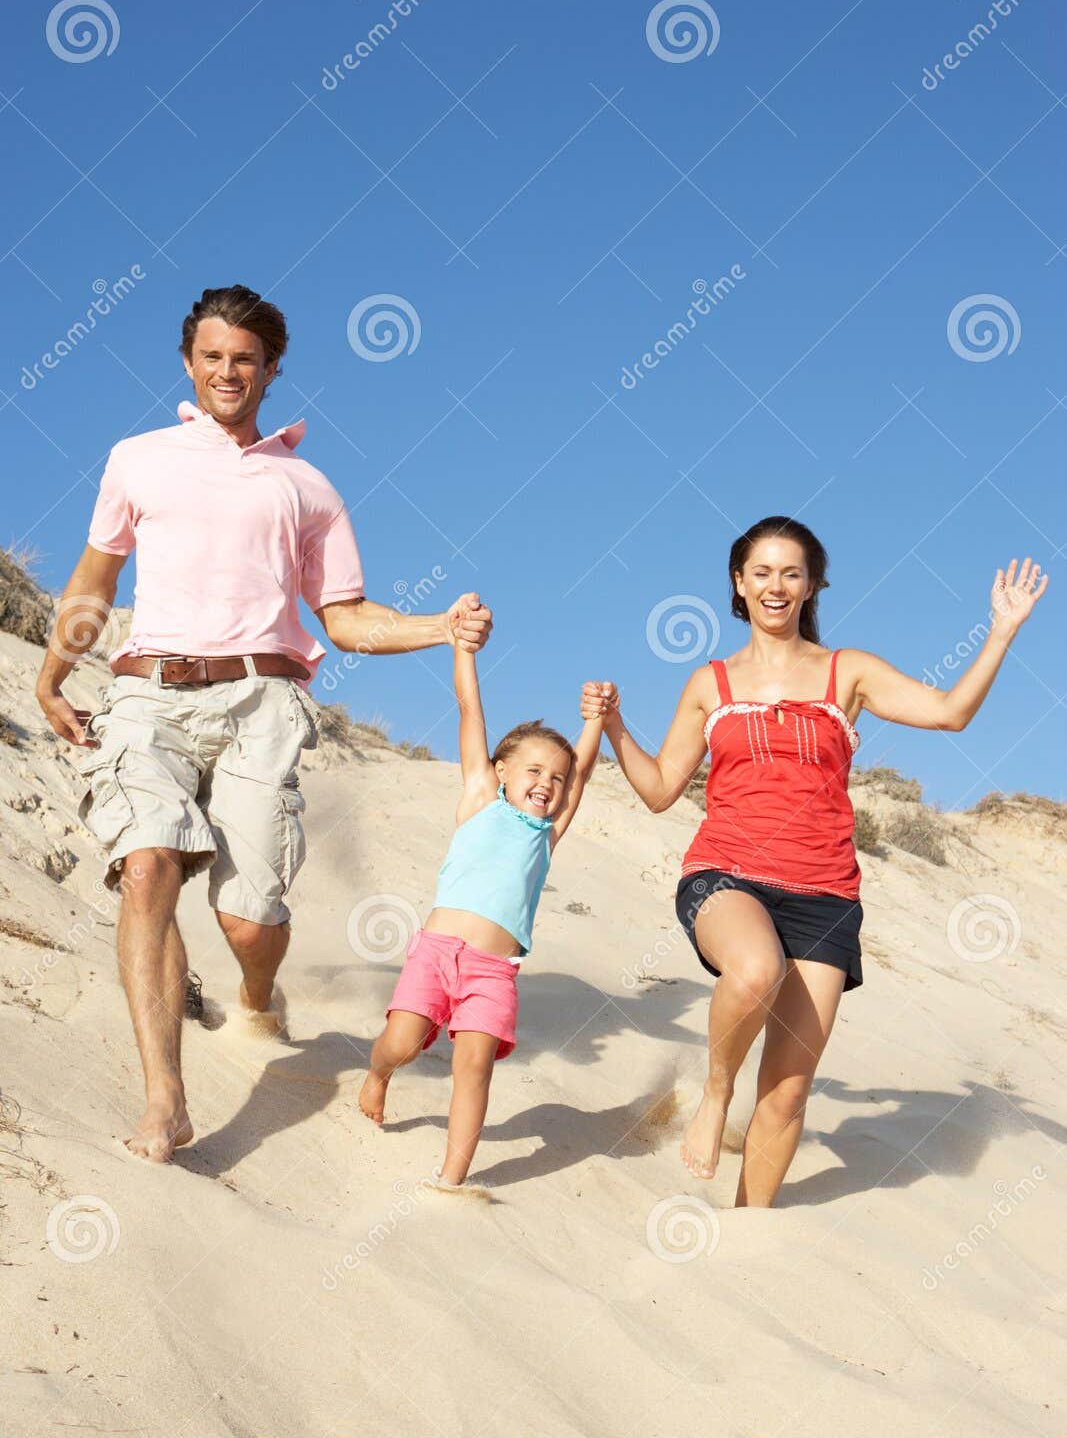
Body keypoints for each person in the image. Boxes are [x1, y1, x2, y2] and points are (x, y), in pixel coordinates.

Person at [35, 284, 492, 1164]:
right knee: (147, 867)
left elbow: (347, 617)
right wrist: (54, 673)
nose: (226, 372)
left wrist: (439, 627)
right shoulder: (138, 459)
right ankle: (165, 1100)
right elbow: (95, 581)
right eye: (211, 356)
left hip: (263, 701)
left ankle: (254, 994)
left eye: (244, 359)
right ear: (187, 363)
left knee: (248, 920)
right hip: (148, 691)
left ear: (272, 370)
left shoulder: (307, 485)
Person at [582, 517, 1048, 1207]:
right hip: (726, 871)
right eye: (761, 572)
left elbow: (949, 714)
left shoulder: (847, 671)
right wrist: (617, 726)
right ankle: (715, 1094)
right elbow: (657, 792)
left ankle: (750, 1232)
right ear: (738, 584)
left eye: (790, 573)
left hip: (824, 891)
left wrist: (1001, 631)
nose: (776, 586)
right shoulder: (709, 684)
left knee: (790, 1091)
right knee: (754, 968)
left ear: (811, 585)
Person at [358, 645, 611, 1187]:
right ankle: (378, 1074)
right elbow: (470, 710)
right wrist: (464, 651)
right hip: (435, 955)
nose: (547, 783)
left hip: (493, 972)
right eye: (534, 770)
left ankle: (453, 1174)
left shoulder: (548, 834)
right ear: (501, 770)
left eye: (557, 778)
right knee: (400, 1044)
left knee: (473, 1067)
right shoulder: (479, 800)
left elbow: (584, 773)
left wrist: (594, 722)